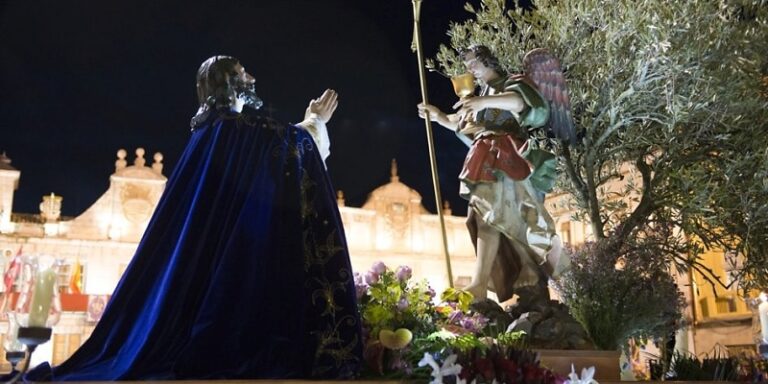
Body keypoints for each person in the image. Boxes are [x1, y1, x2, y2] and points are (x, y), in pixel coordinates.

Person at [26, 55, 362, 380]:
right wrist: (315, 120)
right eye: (244, 74)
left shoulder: (209, 133)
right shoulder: (237, 129)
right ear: (229, 83)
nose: (252, 80)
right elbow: (288, 148)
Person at [417, 45, 565, 302]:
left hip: (507, 158)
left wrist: (482, 101)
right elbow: (464, 121)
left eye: (473, 61)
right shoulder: (482, 93)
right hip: (484, 157)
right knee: (483, 216)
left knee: (512, 216)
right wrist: (439, 116)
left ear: (488, 60)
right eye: (468, 64)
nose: (470, 68)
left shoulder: (512, 82)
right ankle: (479, 282)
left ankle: (529, 267)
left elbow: (521, 103)